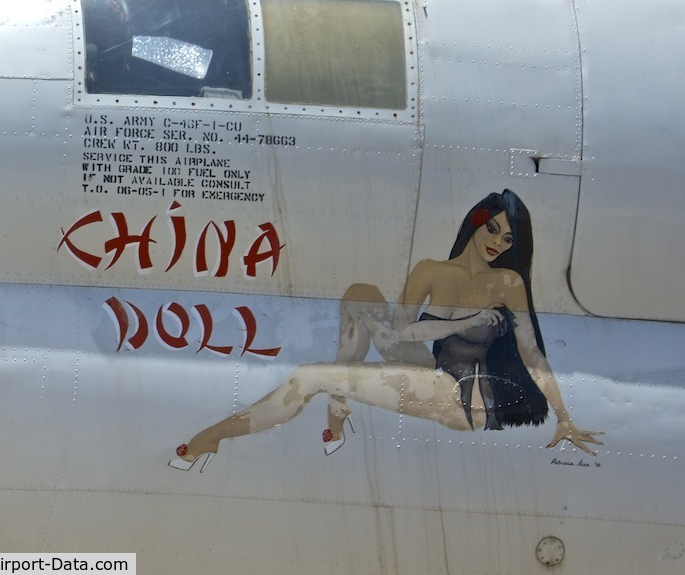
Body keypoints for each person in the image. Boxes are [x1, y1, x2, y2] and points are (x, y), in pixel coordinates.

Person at [169, 191, 601, 471]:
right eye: (493, 229)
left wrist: (564, 417)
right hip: (432, 368)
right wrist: (466, 322)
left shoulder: (508, 284)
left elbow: (532, 354)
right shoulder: (431, 270)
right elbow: (404, 331)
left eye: (508, 240)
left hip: (460, 399)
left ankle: (212, 438)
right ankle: (338, 413)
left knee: (308, 377)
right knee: (360, 292)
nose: (497, 243)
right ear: (476, 222)